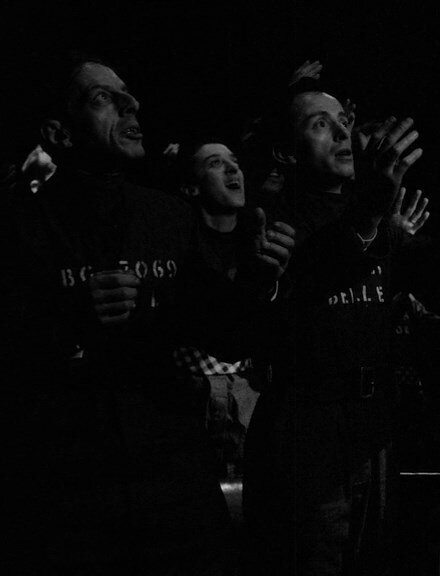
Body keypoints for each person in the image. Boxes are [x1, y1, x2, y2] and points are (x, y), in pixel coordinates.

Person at [2, 53, 290, 575]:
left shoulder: (167, 215)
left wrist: (257, 277)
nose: (131, 103)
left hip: (175, 480)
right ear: (58, 133)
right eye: (103, 98)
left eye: (128, 93)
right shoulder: (21, 224)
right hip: (67, 487)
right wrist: (68, 317)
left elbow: (226, 335)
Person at [242, 82, 423, 575]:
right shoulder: (271, 216)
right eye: (320, 125)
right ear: (287, 151)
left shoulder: (377, 214)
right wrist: (370, 217)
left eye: (343, 120)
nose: (342, 132)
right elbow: (311, 276)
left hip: (374, 426)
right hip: (307, 429)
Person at [173, 138, 295, 479]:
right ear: (191, 187)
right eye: (215, 163)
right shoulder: (179, 242)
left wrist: (269, 282)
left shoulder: (258, 239)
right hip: (190, 390)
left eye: (234, 162)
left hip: (251, 385)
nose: (232, 169)